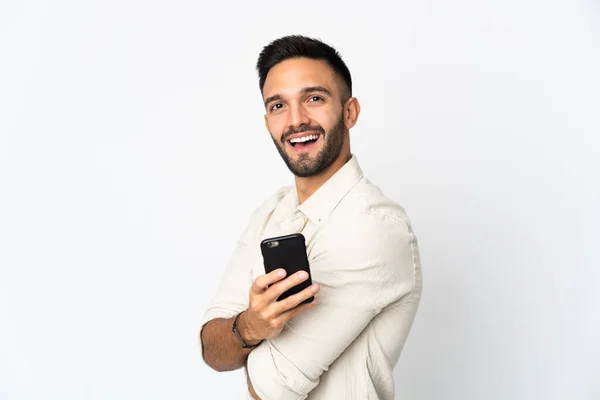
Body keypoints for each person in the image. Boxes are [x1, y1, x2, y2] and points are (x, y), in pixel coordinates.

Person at [199, 35, 423, 400]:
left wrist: (241, 334)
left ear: (349, 111)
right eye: (278, 106)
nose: (296, 121)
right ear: (267, 120)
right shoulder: (269, 212)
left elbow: (271, 388)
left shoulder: (376, 227)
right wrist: (252, 326)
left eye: (314, 98)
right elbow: (212, 348)